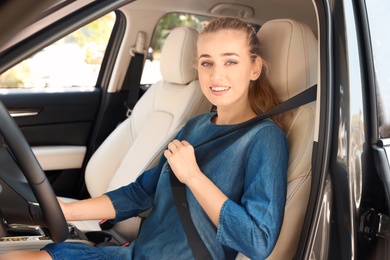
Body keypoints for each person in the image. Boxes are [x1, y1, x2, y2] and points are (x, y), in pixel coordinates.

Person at [1, 17, 288, 260]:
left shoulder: (264, 138)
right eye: (207, 63)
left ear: (255, 68)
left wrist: (194, 178)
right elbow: (140, 193)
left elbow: (258, 241)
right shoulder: (196, 125)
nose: (216, 75)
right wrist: (66, 211)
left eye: (231, 62)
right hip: (135, 253)